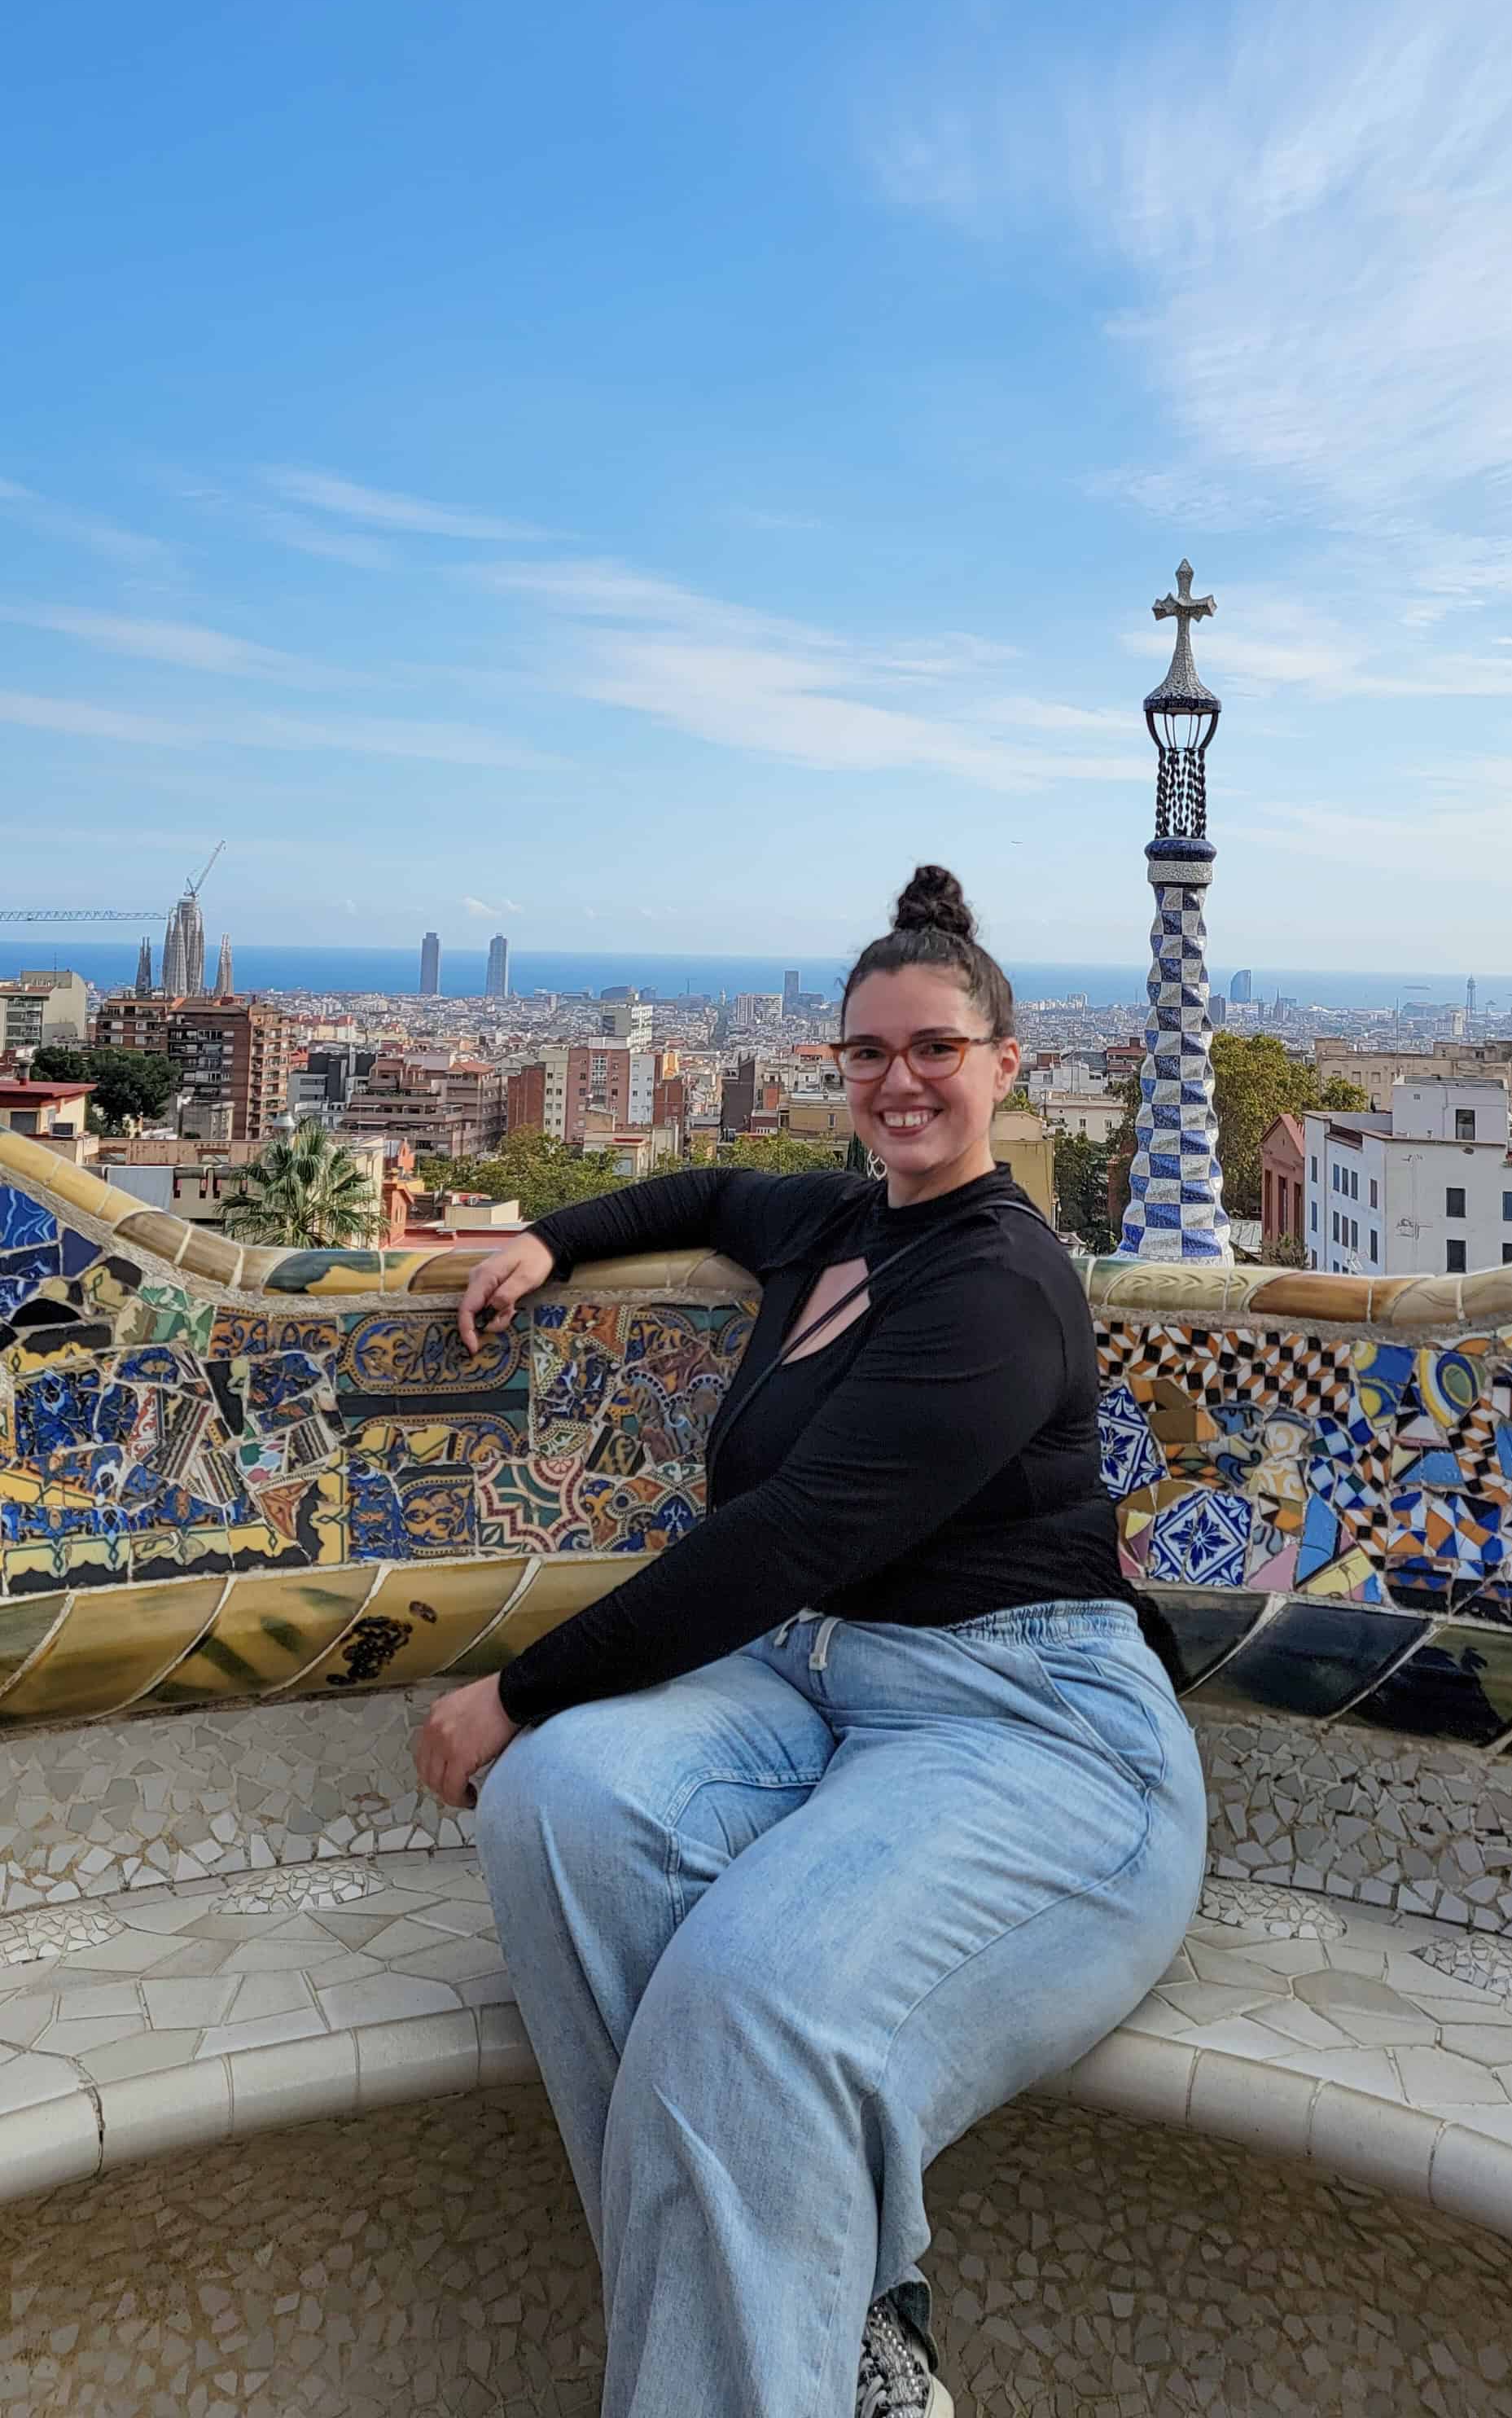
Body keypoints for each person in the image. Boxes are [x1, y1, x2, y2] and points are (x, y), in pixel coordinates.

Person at [414, 867, 1207, 2418]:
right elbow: (700, 1198)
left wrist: (515, 1688)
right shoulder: (835, 1219)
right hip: (817, 1682)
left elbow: (782, 1541)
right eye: (866, 1054)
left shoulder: (1002, 1283)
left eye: (932, 1051)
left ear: (1004, 1065)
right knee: (559, 1815)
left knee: (747, 2008)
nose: (898, 1081)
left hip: (1031, 1723)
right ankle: (846, 2316)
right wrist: (549, 1241)